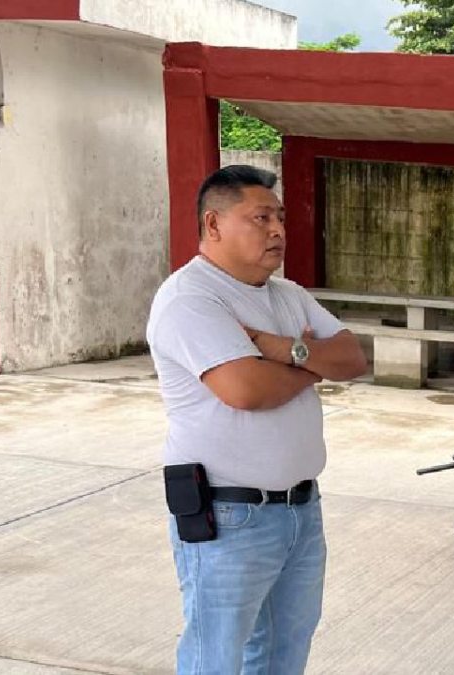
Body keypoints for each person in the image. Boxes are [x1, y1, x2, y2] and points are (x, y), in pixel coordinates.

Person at [146, 165, 367, 674]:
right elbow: (246, 390)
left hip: (299, 511)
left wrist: (280, 349)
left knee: (284, 656)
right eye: (261, 217)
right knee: (216, 658)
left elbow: (353, 358)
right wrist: (313, 362)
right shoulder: (192, 298)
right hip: (228, 514)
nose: (278, 231)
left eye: (280, 218)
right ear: (214, 224)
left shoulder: (285, 295)